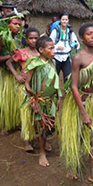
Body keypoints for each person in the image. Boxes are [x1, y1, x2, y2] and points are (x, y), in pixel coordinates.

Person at [59, 23, 93, 184]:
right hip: (78, 102)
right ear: (81, 38)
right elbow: (73, 86)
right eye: (89, 34)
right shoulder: (78, 58)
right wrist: (83, 111)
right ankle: (72, 166)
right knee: (76, 134)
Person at [24, 36, 61, 166]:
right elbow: (27, 84)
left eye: (54, 48)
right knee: (40, 125)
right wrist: (34, 100)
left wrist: (58, 98)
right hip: (38, 100)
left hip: (50, 100)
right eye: (51, 48)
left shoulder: (52, 63)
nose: (54, 51)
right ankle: (41, 153)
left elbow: (54, 82)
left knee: (48, 124)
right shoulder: (34, 64)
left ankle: (45, 142)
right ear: (41, 50)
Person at [6, 27, 40, 152]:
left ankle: (40, 138)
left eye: (36, 38)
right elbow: (9, 62)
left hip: (38, 87)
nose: (33, 41)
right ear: (26, 39)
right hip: (24, 87)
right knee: (25, 113)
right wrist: (17, 75)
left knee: (38, 113)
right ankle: (26, 141)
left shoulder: (41, 52)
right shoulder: (21, 52)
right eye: (31, 38)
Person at [49, 12, 80, 83]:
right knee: (53, 77)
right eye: (63, 19)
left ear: (68, 21)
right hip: (56, 57)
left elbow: (77, 44)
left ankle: (67, 92)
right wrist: (56, 47)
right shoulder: (55, 31)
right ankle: (53, 93)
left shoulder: (70, 32)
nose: (64, 21)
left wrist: (75, 45)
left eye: (66, 20)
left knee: (68, 77)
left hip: (66, 57)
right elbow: (49, 44)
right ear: (60, 20)